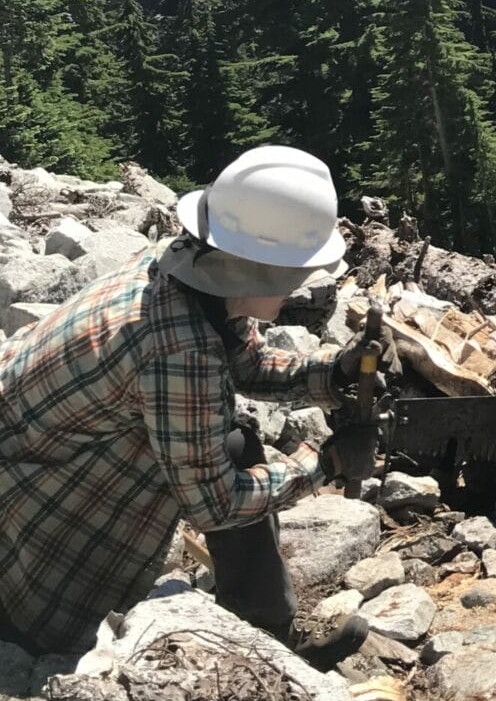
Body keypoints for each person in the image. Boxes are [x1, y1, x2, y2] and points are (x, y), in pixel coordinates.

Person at [0, 145, 394, 660]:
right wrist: (326, 463)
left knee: (232, 443)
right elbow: (216, 504)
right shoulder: (180, 350)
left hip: (34, 451)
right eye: (296, 274)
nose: (301, 286)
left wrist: (335, 370)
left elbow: (247, 364)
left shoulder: (184, 271)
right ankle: (28, 633)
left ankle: (269, 634)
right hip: (23, 509)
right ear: (260, 270)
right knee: (219, 465)